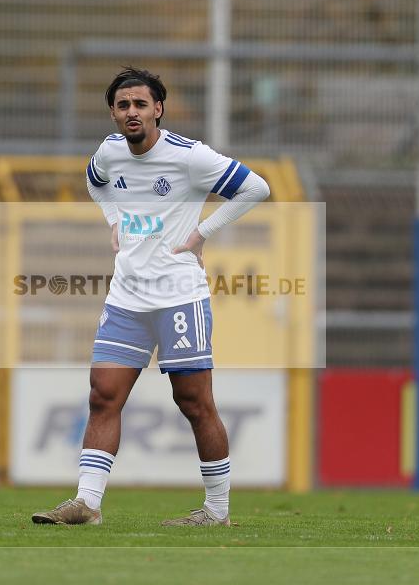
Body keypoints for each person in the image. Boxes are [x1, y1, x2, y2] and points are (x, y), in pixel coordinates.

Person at [32, 67, 269, 527]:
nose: (132, 112)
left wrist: (202, 233)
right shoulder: (110, 151)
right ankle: (87, 504)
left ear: (158, 109)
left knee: (194, 401)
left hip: (179, 295)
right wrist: (114, 220)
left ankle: (216, 511)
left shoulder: (190, 157)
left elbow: (255, 188)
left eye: (141, 104)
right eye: (123, 106)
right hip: (126, 297)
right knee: (103, 396)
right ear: (114, 114)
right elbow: (94, 180)